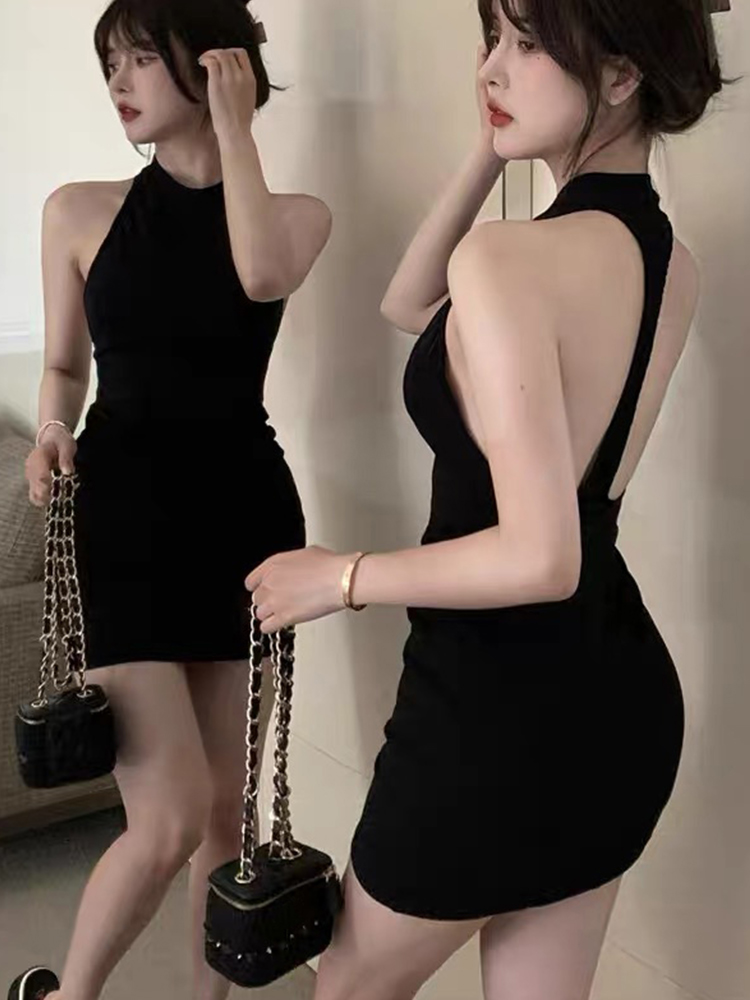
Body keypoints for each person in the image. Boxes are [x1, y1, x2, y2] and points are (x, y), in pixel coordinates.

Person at [246, 1, 727, 998]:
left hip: (491, 708)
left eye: (526, 43)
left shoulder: (508, 260)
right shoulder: (668, 263)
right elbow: (410, 307)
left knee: (348, 987)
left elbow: (542, 556)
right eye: (493, 38)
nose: (491, 68)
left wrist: (339, 577)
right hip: (616, 704)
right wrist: (488, 149)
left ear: (623, 75)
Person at [11, 1, 331, 998]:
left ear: (217, 64)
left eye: (142, 58)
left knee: (228, 821)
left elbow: (259, 274)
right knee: (167, 818)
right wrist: (53, 427)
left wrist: (235, 129)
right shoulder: (78, 210)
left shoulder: (296, 216)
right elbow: (65, 368)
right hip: (124, 521)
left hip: (246, 520)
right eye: (110, 62)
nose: (118, 82)